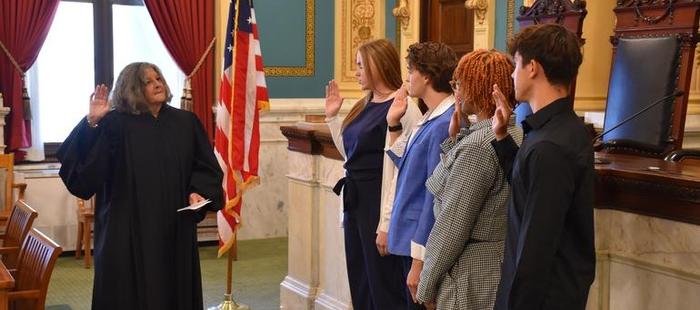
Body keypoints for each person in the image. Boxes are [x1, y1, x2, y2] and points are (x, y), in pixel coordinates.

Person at [58, 62, 223, 310]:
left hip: (173, 228)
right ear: (132, 87)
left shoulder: (185, 123)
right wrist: (91, 123)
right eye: (148, 81)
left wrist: (197, 191)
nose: (158, 83)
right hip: (124, 230)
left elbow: (205, 167)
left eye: (159, 78)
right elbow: (82, 176)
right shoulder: (114, 124)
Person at [491, 24, 595, 309]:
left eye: (516, 65)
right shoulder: (558, 131)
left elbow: (536, 250)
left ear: (533, 68)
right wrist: (502, 137)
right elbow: (529, 191)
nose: (513, 74)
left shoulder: (549, 146)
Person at [415, 49, 523, 309]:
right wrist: (455, 139)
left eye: (459, 83)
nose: (456, 90)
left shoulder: (477, 146)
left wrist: (426, 284)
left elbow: (452, 225)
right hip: (495, 266)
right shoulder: (515, 133)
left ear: (477, 86)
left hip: (469, 276)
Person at [325, 39, 421, 309]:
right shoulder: (364, 103)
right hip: (356, 201)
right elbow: (350, 154)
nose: (355, 72)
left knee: (383, 283)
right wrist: (332, 118)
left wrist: (387, 223)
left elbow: (403, 169)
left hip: (379, 203)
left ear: (377, 66)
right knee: (361, 278)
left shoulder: (404, 107)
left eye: (360, 66)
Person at [385, 41, 457, 309]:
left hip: (420, 243)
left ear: (427, 75)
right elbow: (407, 165)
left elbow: (433, 194)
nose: (407, 77)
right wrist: (394, 123)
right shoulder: (431, 117)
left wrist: (420, 261)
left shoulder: (443, 123)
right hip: (408, 238)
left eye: (411, 70)